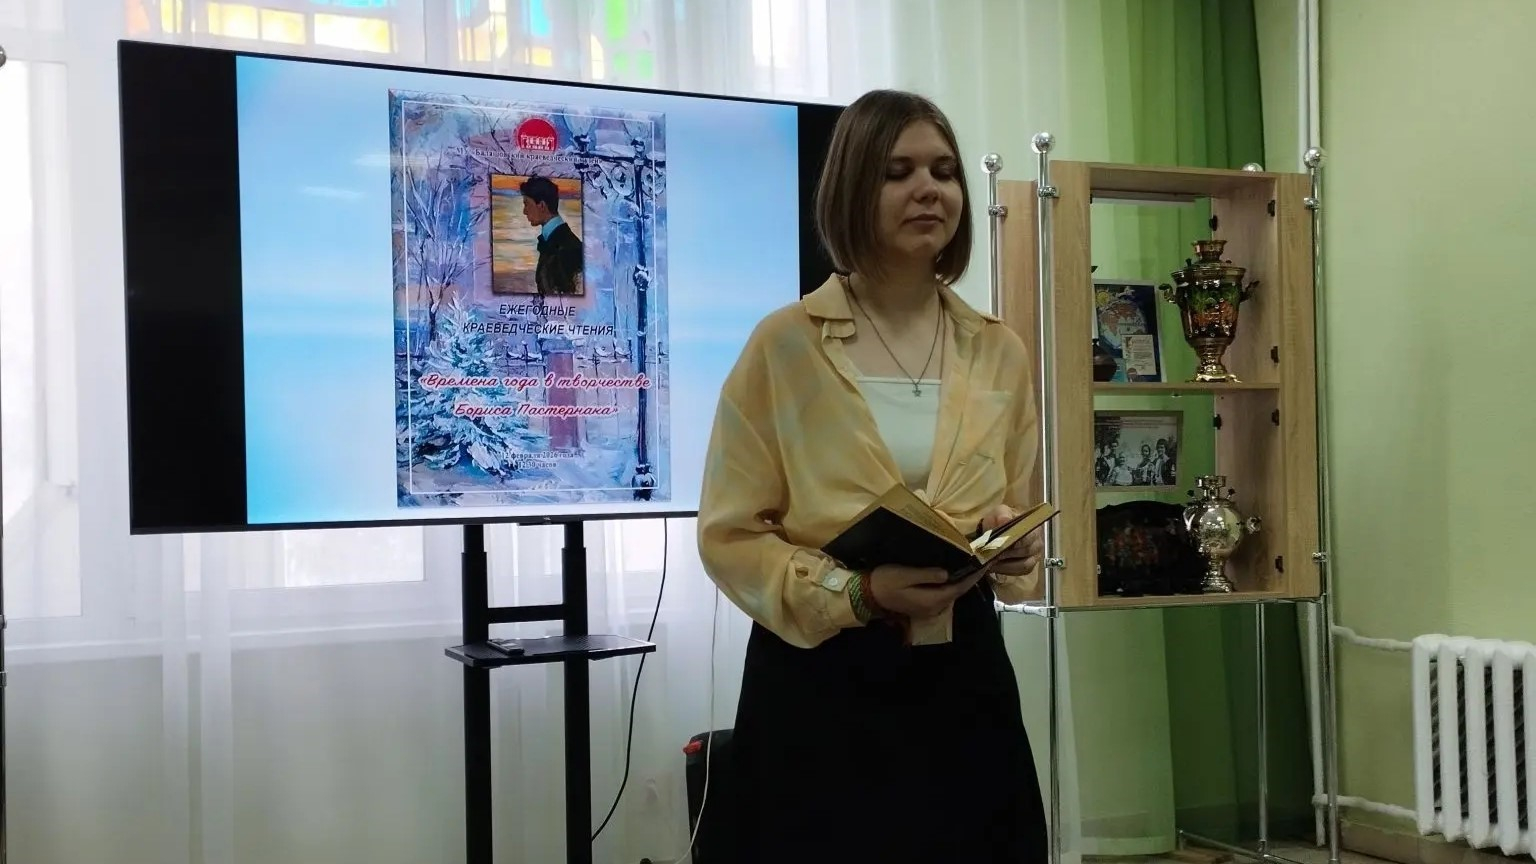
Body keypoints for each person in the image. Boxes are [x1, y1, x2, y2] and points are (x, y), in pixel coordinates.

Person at [696, 89, 1049, 864]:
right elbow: (729, 535)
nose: (929, 189)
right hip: (820, 679)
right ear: (854, 187)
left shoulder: (999, 350)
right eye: (899, 172)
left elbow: (1010, 505)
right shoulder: (783, 345)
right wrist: (858, 593)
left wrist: (1010, 543)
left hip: (963, 670)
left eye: (944, 171)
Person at [519, 175, 583, 295]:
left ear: (542, 206)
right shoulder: (555, 240)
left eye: (526, 204)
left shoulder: (567, 248)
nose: (524, 211)